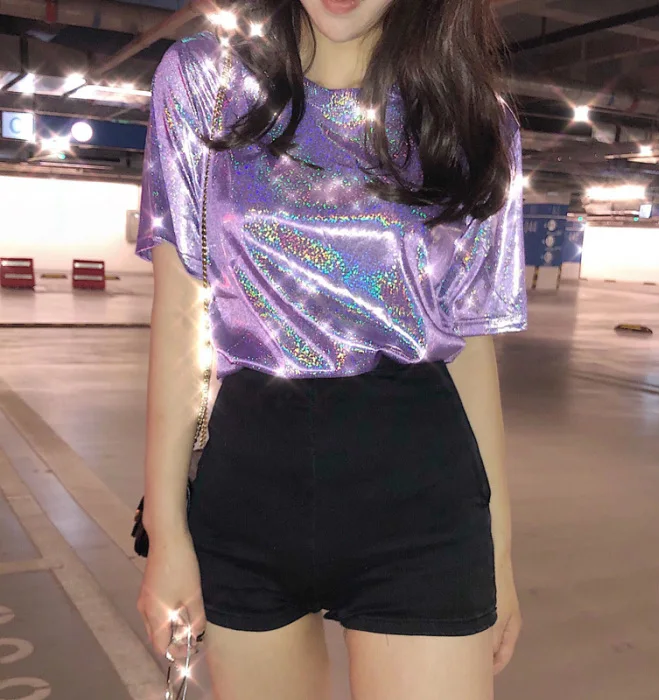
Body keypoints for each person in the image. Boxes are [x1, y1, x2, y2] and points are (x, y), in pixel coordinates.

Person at [135, 0, 526, 698]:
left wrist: (499, 549)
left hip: (420, 493)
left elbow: (469, 345)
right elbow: (180, 310)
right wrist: (166, 531)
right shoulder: (203, 82)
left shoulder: (473, 119)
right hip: (248, 485)